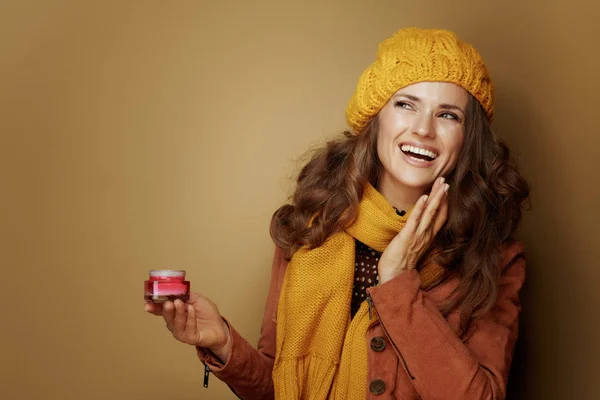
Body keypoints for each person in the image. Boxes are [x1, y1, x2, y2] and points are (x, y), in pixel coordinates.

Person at [144, 27, 530, 399]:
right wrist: (223, 342)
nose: (424, 129)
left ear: (468, 138)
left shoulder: (495, 259)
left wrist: (397, 284)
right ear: (377, 117)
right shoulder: (312, 224)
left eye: (448, 115)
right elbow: (282, 388)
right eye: (406, 105)